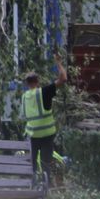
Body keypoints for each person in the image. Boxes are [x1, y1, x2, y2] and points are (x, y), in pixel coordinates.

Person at [22, 55, 67, 183]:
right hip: (47, 134)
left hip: (32, 135)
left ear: (27, 84)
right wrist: (58, 63)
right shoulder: (44, 92)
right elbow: (63, 78)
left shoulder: (24, 97)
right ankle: (45, 188)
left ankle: (32, 186)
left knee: (32, 165)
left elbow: (24, 116)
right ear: (38, 82)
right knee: (46, 163)